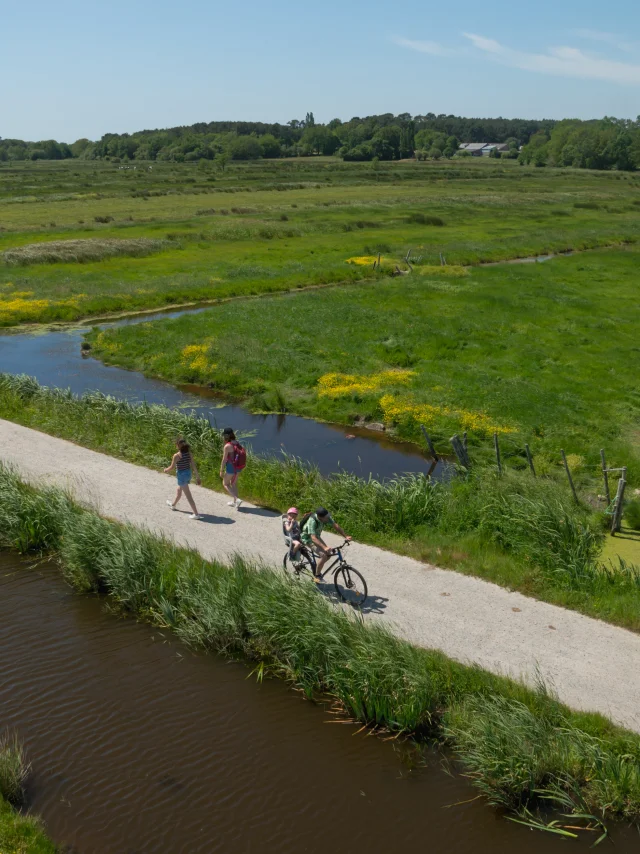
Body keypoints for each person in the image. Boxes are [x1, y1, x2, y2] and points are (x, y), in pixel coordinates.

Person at [301, 507, 351, 581]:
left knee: (328, 553)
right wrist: (324, 547)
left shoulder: (326, 517)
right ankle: (317, 576)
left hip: (316, 536)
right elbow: (313, 538)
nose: (328, 518)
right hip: (308, 538)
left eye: (328, 516)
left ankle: (318, 566)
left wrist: (345, 536)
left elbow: (335, 526)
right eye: (326, 517)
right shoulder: (312, 521)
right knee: (324, 555)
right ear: (320, 517)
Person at [164, 439, 202, 520]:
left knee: (189, 496)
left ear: (178, 446)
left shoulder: (177, 456)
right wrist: (198, 477)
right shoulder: (189, 454)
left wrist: (166, 470)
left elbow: (172, 467)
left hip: (182, 476)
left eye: (176, 444)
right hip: (188, 474)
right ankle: (173, 505)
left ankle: (196, 514)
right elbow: (193, 466)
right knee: (179, 490)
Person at [220, 427, 244, 509]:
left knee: (225, 483)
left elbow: (224, 460)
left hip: (230, 468)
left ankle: (237, 499)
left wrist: (221, 471)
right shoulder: (237, 443)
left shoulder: (227, 446)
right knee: (233, 483)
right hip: (238, 467)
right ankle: (235, 503)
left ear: (226, 436)